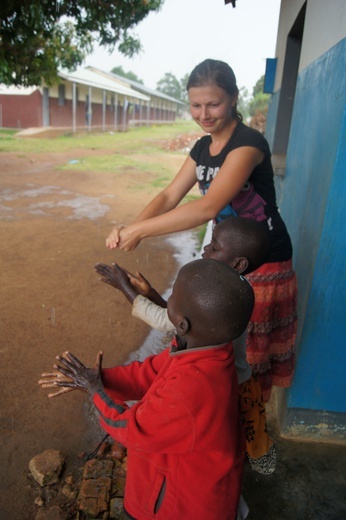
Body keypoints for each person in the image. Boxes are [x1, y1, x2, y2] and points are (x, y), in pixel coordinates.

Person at [105, 58, 297, 402]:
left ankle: (246, 426)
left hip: (263, 260)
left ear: (234, 98)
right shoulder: (201, 148)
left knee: (246, 352)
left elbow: (207, 208)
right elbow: (169, 195)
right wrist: (131, 227)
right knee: (219, 342)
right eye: (195, 105)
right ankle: (215, 414)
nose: (203, 114)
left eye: (214, 104)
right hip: (226, 258)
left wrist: (142, 231)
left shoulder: (248, 144)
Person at [40, 259, 255, 520]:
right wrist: (98, 378)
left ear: (183, 323)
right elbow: (148, 373)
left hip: (179, 506)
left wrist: (94, 390)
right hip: (190, 482)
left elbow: (130, 429)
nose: (169, 297)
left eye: (173, 294)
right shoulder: (205, 350)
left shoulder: (191, 393)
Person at [97, 216, 276, 475]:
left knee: (233, 441)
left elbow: (168, 320)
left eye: (214, 247)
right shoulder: (234, 289)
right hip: (237, 382)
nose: (205, 250)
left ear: (239, 263)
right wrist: (150, 294)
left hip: (232, 387)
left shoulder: (220, 303)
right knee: (234, 438)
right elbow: (181, 317)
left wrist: (126, 289)